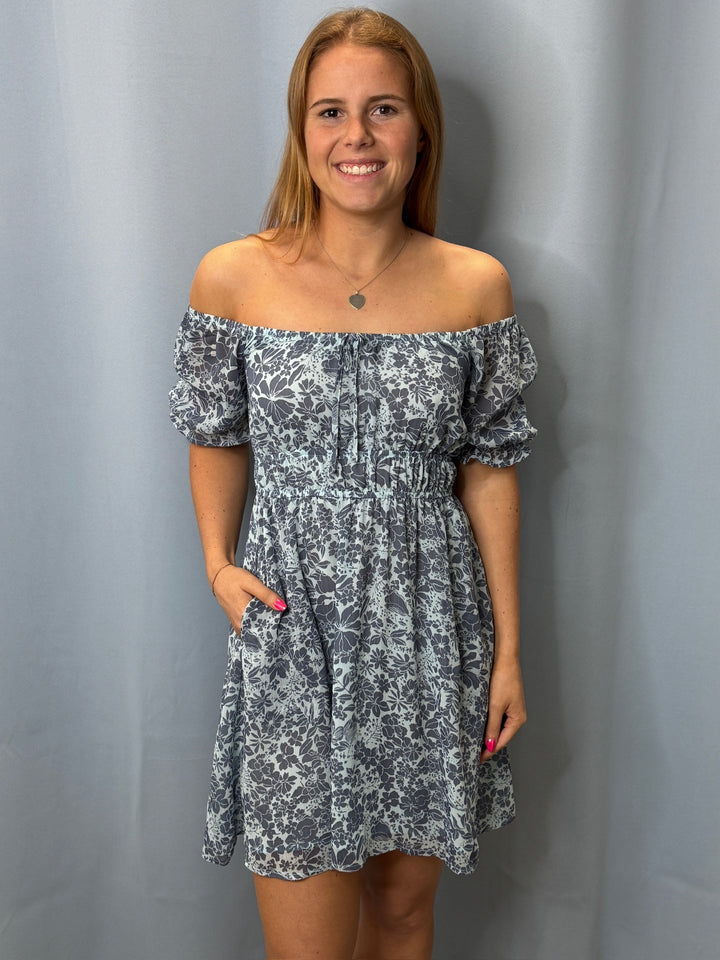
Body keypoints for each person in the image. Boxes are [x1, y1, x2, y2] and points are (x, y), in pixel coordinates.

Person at [169, 8, 537, 959]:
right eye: (330, 112)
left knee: (406, 917)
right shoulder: (234, 276)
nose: (357, 136)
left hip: (433, 633)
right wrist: (218, 568)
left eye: (383, 109)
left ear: (420, 129)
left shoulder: (475, 287)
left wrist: (506, 654)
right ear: (302, 131)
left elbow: (491, 470)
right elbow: (215, 434)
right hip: (297, 634)